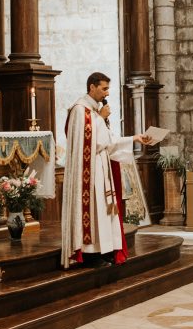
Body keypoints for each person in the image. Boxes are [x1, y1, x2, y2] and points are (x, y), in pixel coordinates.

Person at [61, 72, 152, 269]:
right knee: (94, 212)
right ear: (92, 87)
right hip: (89, 173)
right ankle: (91, 255)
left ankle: (106, 250)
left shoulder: (94, 112)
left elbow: (108, 141)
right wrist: (100, 119)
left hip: (101, 169)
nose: (106, 93)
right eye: (103, 88)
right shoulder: (80, 110)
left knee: (103, 212)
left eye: (107, 89)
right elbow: (98, 142)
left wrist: (135, 138)